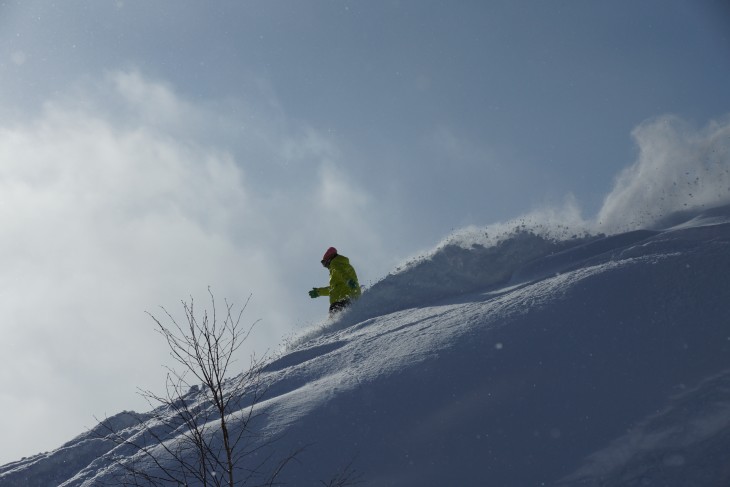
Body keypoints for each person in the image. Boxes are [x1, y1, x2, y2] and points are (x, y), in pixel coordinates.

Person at [309, 247, 361, 315]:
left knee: (335, 316)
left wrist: (349, 281)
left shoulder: (334, 264)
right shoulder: (343, 265)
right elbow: (334, 288)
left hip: (342, 298)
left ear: (329, 260)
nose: (326, 266)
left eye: (324, 263)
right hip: (350, 297)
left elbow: (342, 273)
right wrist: (319, 292)